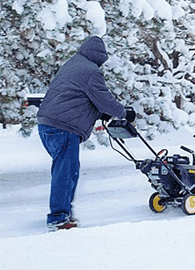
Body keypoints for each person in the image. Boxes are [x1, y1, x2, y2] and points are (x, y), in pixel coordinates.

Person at [36, 36, 130, 231]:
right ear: (99, 56)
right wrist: (124, 112)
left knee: (66, 170)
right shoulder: (90, 71)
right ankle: (58, 218)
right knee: (66, 172)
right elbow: (103, 99)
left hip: (47, 125)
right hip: (63, 127)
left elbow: (78, 98)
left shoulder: (72, 65)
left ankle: (63, 212)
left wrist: (101, 113)